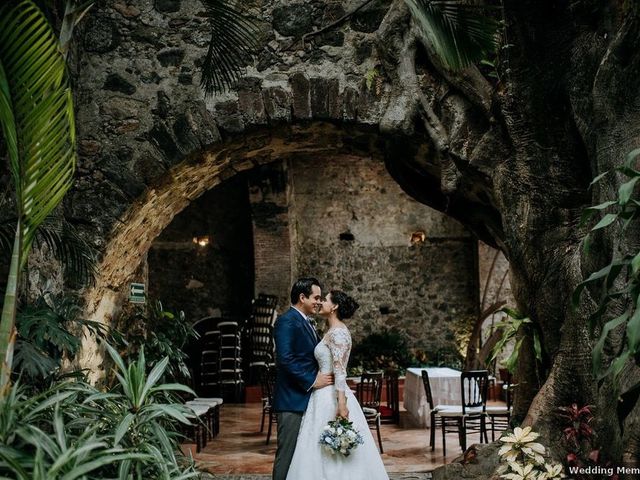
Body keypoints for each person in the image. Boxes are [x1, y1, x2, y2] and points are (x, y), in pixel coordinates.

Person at [286, 290, 389, 480]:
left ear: (334, 307)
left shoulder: (339, 333)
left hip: (331, 397)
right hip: (320, 395)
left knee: (335, 449)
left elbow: (340, 370)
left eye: (324, 299)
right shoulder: (331, 332)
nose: (320, 302)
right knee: (317, 448)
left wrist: (342, 404)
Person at [272, 278, 334, 480]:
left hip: (306, 400)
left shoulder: (305, 322)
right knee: (287, 454)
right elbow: (285, 359)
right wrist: (312, 380)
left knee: (302, 456)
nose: (319, 301)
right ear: (302, 297)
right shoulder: (287, 320)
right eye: (316, 297)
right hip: (292, 401)